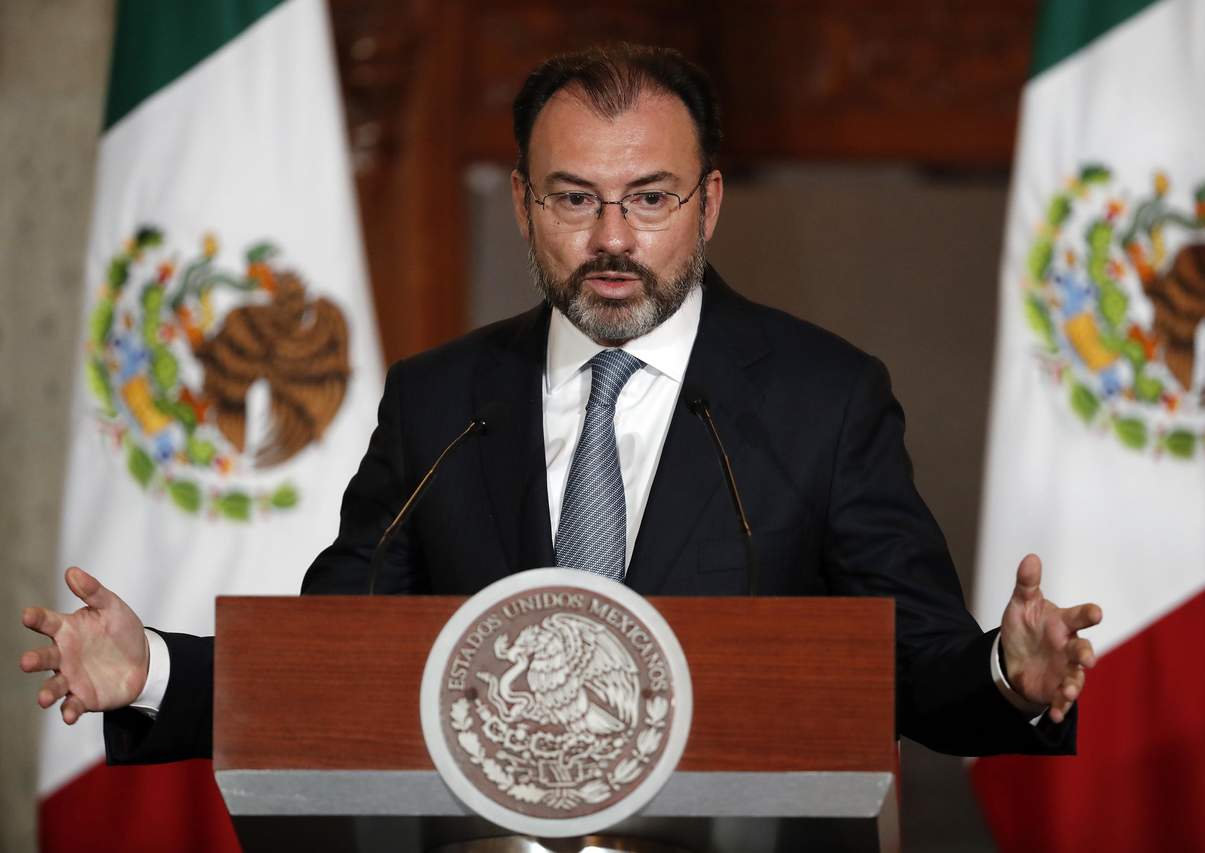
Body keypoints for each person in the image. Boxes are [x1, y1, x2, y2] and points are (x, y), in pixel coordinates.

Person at [21, 44, 1101, 765]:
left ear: (708, 204)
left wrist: (1009, 673)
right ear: (523, 204)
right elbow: (338, 655)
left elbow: (910, 664)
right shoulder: (442, 400)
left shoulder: (824, 397)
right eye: (576, 199)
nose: (613, 238)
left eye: (650, 198)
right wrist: (152, 669)